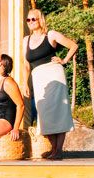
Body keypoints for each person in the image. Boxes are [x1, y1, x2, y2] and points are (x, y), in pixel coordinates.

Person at [23, 9, 78, 160]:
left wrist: (65, 60)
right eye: (28, 20)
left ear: (40, 19)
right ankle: (53, 148)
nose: (31, 22)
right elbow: (26, 65)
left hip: (54, 75)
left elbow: (73, 45)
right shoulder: (25, 40)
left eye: (33, 19)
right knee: (44, 113)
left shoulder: (51, 34)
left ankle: (58, 150)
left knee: (58, 111)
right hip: (38, 78)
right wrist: (25, 84)